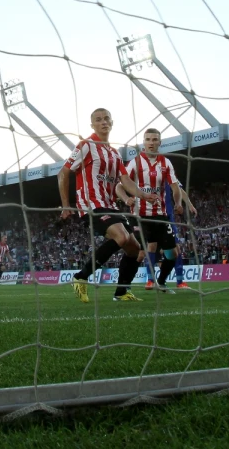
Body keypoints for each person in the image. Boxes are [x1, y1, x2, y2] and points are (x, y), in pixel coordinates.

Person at [59, 108, 152, 303]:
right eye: (98, 120)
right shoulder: (86, 145)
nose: (103, 122)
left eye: (106, 119)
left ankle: (122, 292)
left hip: (110, 205)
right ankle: (81, 276)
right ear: (92, 125)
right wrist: (66, 204)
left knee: (136, 250)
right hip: (91, 204)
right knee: (121, 236)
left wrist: (144, 194)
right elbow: (63, 173)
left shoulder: (115, 154)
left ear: (112, 122)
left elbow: (125, 181)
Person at [119, 128, 188, 293]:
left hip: (160, 216)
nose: (151, 142)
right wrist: (125, 198)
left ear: (159, 142)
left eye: (154, 139)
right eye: (148, 139)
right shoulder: (135, 162)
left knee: (173, 253)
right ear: (144, 142)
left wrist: (178, 203)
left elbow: (174, 186)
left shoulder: (166, 163)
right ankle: (123, 288)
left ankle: (161, 282)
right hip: (140, 216)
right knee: (139, 252)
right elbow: (120, 185)